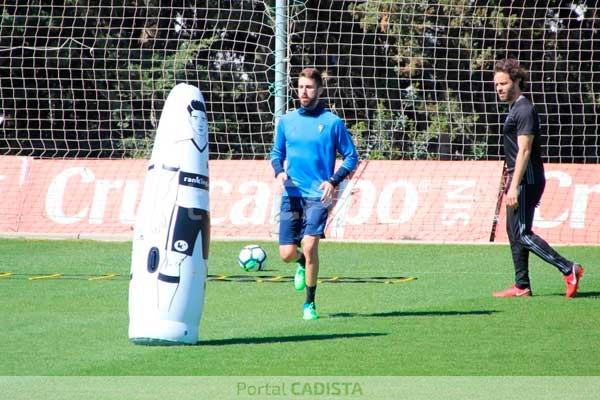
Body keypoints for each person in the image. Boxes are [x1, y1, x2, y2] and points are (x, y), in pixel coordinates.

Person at [270, 67, 358, 319]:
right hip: (291, 195)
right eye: (300, 87)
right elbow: (276, 154)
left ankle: (309, 303)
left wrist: (333, 180)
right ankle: (298, 263)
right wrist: (279, 172)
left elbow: (352, 157)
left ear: (319, 90)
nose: (304, 92)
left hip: (318, 196)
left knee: (309, 246)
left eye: (309, 87)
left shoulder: (332, 122)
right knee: (287, 254)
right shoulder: (287, 122)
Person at [492, 58, 584, 298]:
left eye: (503, 83)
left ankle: (568, 268)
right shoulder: (515, 109)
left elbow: (524, 150)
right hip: (520, 178)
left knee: (522, 233)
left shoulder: (524, 109)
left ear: (517, 81)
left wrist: (514, 187)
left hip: (526, 179)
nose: (499, 88)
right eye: (496, 85)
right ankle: (522, 285)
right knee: (514, 232)